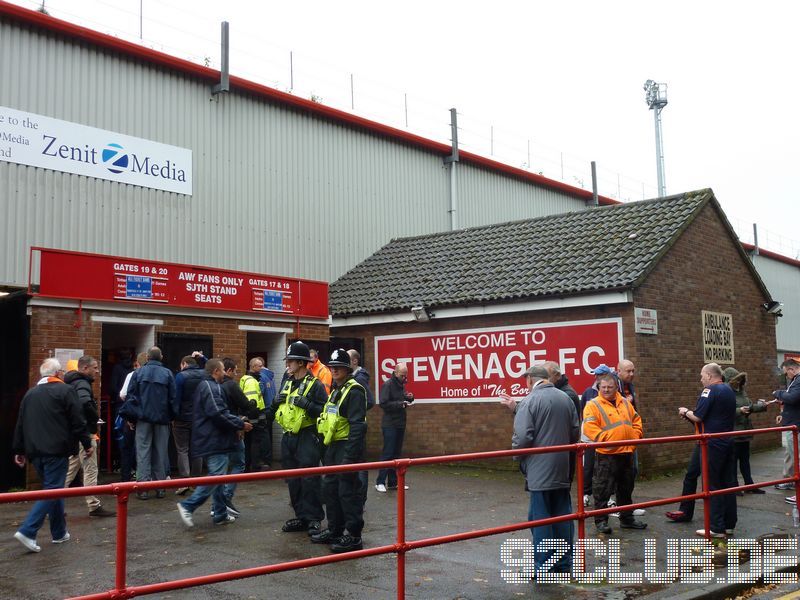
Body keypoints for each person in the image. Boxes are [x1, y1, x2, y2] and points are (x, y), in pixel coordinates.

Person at [12, 358, 92, 552]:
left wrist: (19, 450)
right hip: (56, 450)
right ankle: (28, 530)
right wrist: (87, 443)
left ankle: (59, 532)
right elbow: (78, 420)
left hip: (35, 452)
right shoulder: (66, 391)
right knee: (53, 489)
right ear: (57, 374)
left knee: (53, 489)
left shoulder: (30, 395)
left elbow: (21, 423)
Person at [512, 365, 580, 576]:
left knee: (540, 519)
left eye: (526, 380)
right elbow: (575, 432)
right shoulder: (566, 398)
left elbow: (523, 437)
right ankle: (564, 563)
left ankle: (543, 566)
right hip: (562, 467)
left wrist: (517, 456)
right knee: (562, 515)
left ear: (531, 380)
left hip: (539, 469)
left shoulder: (530, 401)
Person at [176, 359, 253, 527]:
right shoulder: (211, 387)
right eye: (223, 370)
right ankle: (188, 506)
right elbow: (218, 413)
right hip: (213, 439)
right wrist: (240, 424)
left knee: (218, 476)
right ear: (216, 371)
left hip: (213, 438)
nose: (225, 373)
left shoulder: (208, 386)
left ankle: (220, 513)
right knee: (216, 476)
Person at [312, 349, 368, 553]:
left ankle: (354, 536)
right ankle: (335, 529)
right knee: (331, 490)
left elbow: (357, 426)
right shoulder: (337, 390)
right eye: (332, 366)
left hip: (346, 448)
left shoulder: (354, 390)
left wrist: (349, 457)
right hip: (333, 447)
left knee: (348, 492)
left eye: (339, 367)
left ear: (347, 368)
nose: (334, 369)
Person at [272, 341, 328, 534]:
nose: (288, 364)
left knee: (309, 479)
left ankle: (313, 518)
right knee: (293, 479)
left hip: (307, 436)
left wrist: (308, 405)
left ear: (302, 363)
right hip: (289, 438)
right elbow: (280, 408)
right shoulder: (287, 382)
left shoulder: (315, 385)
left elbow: (324, 411)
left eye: (291, 361)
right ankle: (301, 516)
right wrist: (274, 401)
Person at [677, 363, 737, 537]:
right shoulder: (729, 390)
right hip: (727, 440)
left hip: (711, 443)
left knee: (713, 484)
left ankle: (716, 527)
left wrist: (685, 411)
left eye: (702, 375)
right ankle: (728, 524)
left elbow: (698, 416)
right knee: (728, 483)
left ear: (710, 376)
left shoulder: (709, 391)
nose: (701, 379)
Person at [582, 372, 646, 534]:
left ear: (616, 387)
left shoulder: (624, 402)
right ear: (598, 387)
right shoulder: (593, 405)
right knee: (602, 489)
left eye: (609, 387)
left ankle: (627, 519)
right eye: (603, 387)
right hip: (606, 454)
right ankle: (601, 521)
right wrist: (607, 440)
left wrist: (635, 436)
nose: (606, 390)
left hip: (626, 452)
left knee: (626, 488)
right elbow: (590, 428)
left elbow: (636, 420)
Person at [63, 355, 115, 517]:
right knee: (91, 469)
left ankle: (51, 502)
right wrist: (94, 418)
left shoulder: (71, 382)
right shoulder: (83, 383)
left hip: (74, 433)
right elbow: (85, 402)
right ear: (84, 368)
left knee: (70, 470)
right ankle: (93, 505)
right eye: (95, 367)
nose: (98, 371)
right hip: (85, 433)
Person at [126, 346, 177, 500]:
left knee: (143, 452)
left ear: (147, 358)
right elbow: (173, 399)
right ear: (160, 357)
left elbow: (131, 396)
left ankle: (143, 488)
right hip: (162, 419)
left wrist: (131, 418)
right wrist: (172, 417)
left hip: (143, 419)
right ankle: (160, 488)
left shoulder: (138, 373)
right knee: (160, 452)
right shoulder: (168, 373)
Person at [221, 357, 261, 516]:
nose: (237, 373)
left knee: (221, 468)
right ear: (229, 370)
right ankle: (225, 498)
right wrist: (253, 408)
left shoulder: (214, 384)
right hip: (233, 429)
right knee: (239, 463)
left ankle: (219, 504)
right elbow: (246, 405)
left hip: (220, 430)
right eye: (235, 370)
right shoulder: (231, 385)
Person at [724, 367, 767, 495]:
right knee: (733, 461)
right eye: (736, 380)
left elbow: (749, 405)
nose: (739, 383)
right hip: (734, 431)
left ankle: (749, 484)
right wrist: (739, 411)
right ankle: (734, 486)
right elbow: (724, 411)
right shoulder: (726, 392)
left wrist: (762, 406)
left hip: (745, 430)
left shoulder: (742, 391)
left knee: (745, 460)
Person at [375, 362, 413, 493]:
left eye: (406, 375)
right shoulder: (388, 385)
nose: (405, 378)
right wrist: (400, 404)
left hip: (400, 423)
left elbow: (401, 398)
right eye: (402, 375)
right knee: (388, 453)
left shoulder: (400, 385)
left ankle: (393, 482)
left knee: (397, 454)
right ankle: (380, 481)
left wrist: (409, 398)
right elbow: (383, 403)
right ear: (396, 373)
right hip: (389, 424)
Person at [578, 364, 613, 507]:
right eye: (596, 375)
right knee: (588, 466)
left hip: (606, 437)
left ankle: (608, 495)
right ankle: (586, 493)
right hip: (589, 438)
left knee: (606, 468)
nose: (595, 377)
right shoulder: (588, 392)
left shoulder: (612, 393)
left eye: (599, 375)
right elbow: (582, 413)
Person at [173, 354, 206, 494]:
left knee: (182, 449)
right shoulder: (204, 374)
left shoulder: (181, 376)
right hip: (199, 418)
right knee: (198, 449)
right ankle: (196, 481)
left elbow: (176, 398)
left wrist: (174, 415)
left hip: (182, 418)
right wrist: (202, 357)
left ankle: (185, 481)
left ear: (184, 364)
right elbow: (213, 365)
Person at [543, 361, 581, 482]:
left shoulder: (566, 395)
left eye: (547, 377)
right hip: (558, 447)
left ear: (558, 376)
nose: (544, 380)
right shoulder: (558, 392)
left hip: (562, 448)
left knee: (561, 486)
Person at [348, 349, 375, 503]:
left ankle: (360, 499)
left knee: (360, 464)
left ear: (355, 361)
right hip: (351, 426)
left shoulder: (360, 379)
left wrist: (355, 411)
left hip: (357, 426)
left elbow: (370, 401)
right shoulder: (351, 377)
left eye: (348, 359)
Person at [772, 359, 800, 498]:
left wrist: (778, 393)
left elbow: (793, 398)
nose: (786, 376)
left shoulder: (799, 380)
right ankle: (789, 480)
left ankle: (798, 493)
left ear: (791, 369)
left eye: (786, 373)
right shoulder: (795, 380)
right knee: (791, 453)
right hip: (792, 421)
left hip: (796, 425)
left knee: (797, 456)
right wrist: (783, 414)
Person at [118, 352, 147, 482]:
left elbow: (122, 394)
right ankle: (143, 477)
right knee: (145, 448)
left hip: (132, 417)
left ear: (137, 364)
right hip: (148, 417)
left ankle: (125, 477)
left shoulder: (132, 375)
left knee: (127, 447)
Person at [239, 358, 271, 471]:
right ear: (253, 367)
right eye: (259, 366)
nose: (261, 368)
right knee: (255, 442)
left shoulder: (246, 379)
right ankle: (255, 466)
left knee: (248, 441)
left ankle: (247, 465)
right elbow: (252, 402)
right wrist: (255, 419)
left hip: (251, 416)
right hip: (255, 416)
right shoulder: (252, 381)